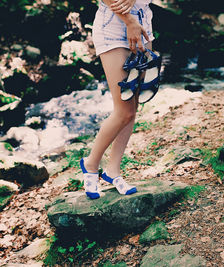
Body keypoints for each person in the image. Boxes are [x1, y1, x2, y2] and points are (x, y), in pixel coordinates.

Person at [80, 0, 156, 199]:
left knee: (132, 105)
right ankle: (90, 164)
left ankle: (112, 170)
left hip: (143, 22)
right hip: (114, 25)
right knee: (124, 110)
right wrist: (129, 20)